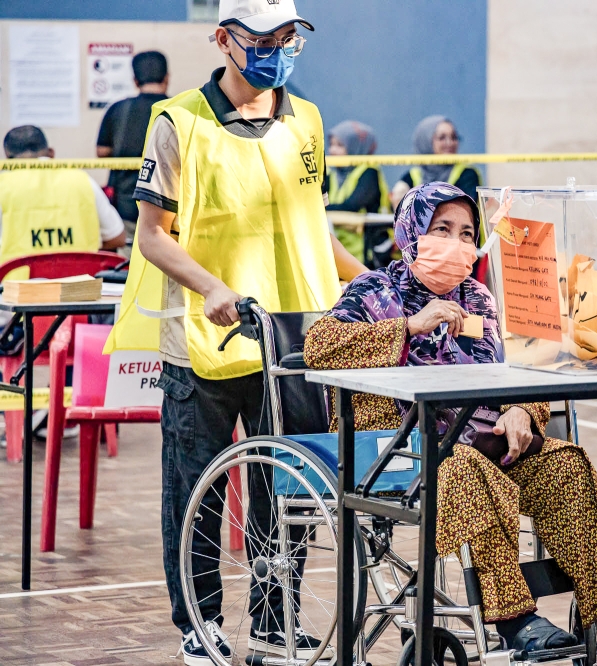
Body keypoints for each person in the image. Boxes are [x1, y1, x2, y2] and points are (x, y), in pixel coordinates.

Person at [304, 182, 597, 655]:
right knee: (465, 471)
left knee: (566, 464)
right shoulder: (373, 290)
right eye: (441, 229)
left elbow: (529, 366)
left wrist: (523, 409)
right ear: (410, 232)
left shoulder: (481, 298)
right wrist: (409, 326)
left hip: (488, 446)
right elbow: (318, 348)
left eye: (467, 234)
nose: (457, 243)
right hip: (404, 451)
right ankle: (515, 620)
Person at [104, 0, 366, 663]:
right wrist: (212, 287)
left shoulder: (304, 119)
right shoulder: (179, 123)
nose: (277, 48)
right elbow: (152, 238)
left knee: (288, 488)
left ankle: (276, 623)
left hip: (292, 337)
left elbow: (316, 227)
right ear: (224, 39)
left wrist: (374, 286)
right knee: (197, 490)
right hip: (204, 338)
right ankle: (200, 624)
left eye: (288, 37)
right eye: (262, 37)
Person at [1, 125, 126, 275]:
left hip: (16, 291)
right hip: (80, 289)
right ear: (51, 153)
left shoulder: (3, 184)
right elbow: (117, 238)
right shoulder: (82, 180)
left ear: (7, 159)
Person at [96, 50, 170, 250]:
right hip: (170, 209)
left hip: (126, 206)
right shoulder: (178, 109)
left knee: (127, 273)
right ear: (167, 78)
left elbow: (102, 151)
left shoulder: (118, 109)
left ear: (135, 81)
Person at [326, 120, 393, 268]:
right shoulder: (332, 173)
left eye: (339, 145)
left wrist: (319, 209)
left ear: (355, 147)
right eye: (331, 144)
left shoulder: (369, 171)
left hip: (367, 252)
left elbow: (352, 205)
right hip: (338, 249)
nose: (332, 151)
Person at [390, 115, 481, 209]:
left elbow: (461, 210)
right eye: (442, 138)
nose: (450, 143)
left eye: (454, 137)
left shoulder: (468, 174)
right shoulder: (412, 176)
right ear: (426, 142)